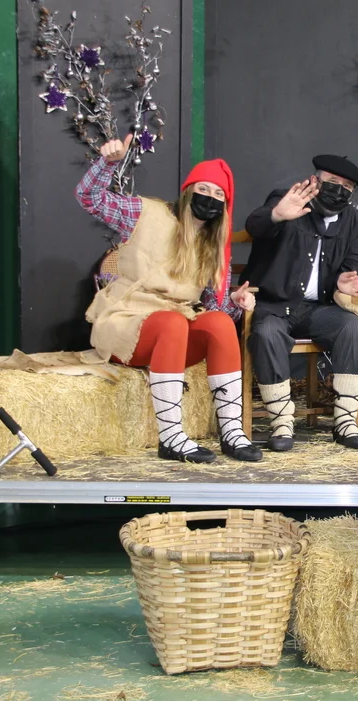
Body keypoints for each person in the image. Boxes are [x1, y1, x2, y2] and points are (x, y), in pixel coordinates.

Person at [77, 134, 260, 464]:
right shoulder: (144, 213)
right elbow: (89, 197)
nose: (210, 198)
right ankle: (171, 437)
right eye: (204, 189)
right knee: (173, 323)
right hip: (128, 322)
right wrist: (107, 163)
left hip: (174, 332)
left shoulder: (213, 246)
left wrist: (234, 301)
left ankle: (232, 431)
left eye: (218, 194)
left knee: (218, 322)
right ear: (188, 191)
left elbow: (214, 308)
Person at [239, 155, 358, 452]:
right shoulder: (288, 199)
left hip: (318, 309)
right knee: (266, 333)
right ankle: (281, 423)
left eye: (347, 186)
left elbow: (353, 258)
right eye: (333, 182)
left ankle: (345, 423)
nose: (340, 189)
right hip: (274, 304)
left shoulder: (351, 218)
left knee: (353, 327)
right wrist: (277, 215)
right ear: (315, 180)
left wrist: (342, 281)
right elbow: (255, 226)